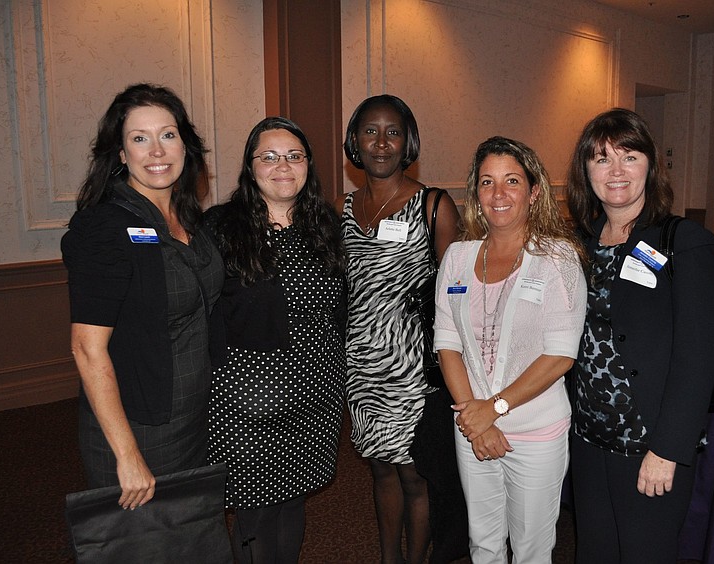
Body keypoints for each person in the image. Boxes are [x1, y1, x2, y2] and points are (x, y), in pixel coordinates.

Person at [566, 108, 714, 563]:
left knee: (645, 554)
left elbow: (699, 356)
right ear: (586, 171)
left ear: (650, 166)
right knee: (594, 552)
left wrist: (667, 449)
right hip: (589, 437)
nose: (615, 171)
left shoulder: (684, 241)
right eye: (601, 159)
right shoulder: (581, 242)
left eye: (629, 156)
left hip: (647, 443)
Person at [61, 83, 224, 509]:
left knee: (190, 541)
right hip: (142, 426)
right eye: (139, 138)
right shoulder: (105, 226)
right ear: (120, 154)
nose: (156, 150)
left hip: (193, 417)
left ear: (185, 145)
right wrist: (127, 453)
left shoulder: (189, 217)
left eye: (167, 135)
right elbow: (86, 348)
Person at [433, 136, 586, 563]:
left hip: (536, 432)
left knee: (532, 550)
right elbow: (446, 343)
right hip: (471, 426)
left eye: (512, 181)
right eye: (487, 182)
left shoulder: (557, 259)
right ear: (476, 193)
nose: (498, 194)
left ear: (534, 191)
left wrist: (494, 409)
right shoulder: (458, 258)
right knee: (482, 544)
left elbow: (560, 355)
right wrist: (475, 416)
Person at [205, 117, 348, 563]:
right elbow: (203, 316)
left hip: (315, 395)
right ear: (250, 167)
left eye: (293, 156)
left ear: (308, 164)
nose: (282, 166)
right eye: (268, 156)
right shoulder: (221, 227)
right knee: (256, 512)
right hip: (250, 399)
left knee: (292, 501)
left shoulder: (325, 223)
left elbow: (338, 311)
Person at [336, 94, 462, 564]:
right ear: (355, 140)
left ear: (407, 141)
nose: (381, 142)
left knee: (414, 474)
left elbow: (456, 296)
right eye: (370, 131)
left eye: (393, 132)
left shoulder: (434, 205)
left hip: (414, 363)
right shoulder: (342, 208)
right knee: (379, 471)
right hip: (362, 361)